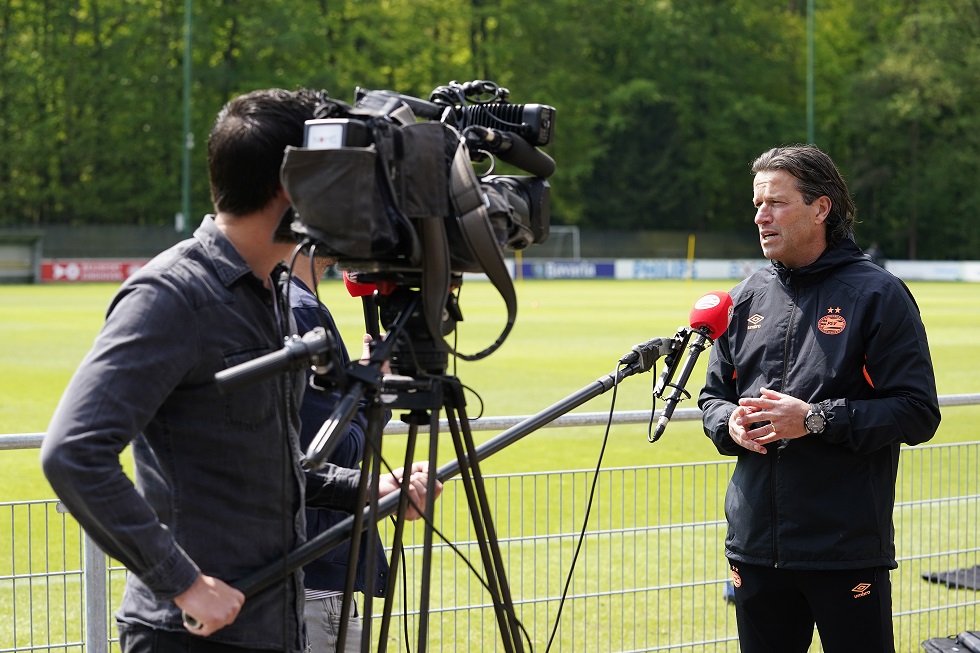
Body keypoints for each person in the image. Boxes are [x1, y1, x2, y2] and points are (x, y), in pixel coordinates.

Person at [40, 88, 433, 653]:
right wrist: (184, 583)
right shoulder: (171, 295)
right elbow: (73, 452)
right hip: (194, 637)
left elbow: (262, 463)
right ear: (290, 187)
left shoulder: (271, 289)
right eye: (334, 174)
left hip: (274, 625)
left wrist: (366, 489)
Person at [698, 144, 941, 653]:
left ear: (821, 208)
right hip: (755, 547)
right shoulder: (744, 297)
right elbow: (713, 397)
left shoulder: (878, 294)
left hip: (844, 548)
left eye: (776, 203)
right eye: (757, 203)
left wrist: (814, 419)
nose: (761, 216)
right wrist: (730, 426)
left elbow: (917, 413)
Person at [290, 255, 441, 652]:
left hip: (295, 569)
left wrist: (362, 378)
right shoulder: (301, 310)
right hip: (313, 576)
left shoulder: (270, 301)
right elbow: (327, 451)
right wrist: (376, 393)